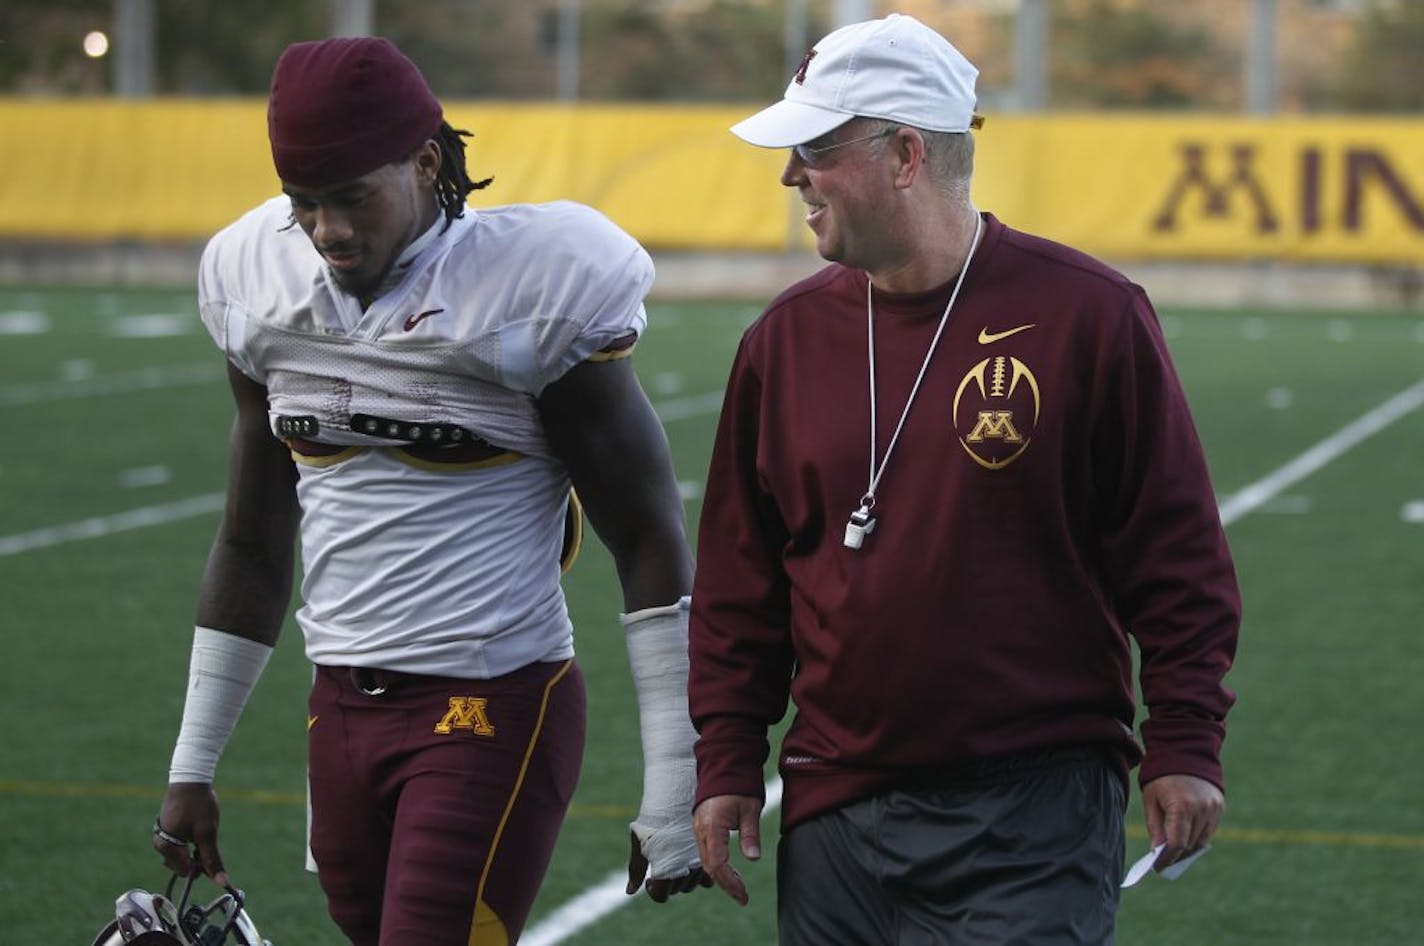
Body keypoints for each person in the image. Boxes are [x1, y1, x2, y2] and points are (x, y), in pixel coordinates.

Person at [688, 13, 1240, 945]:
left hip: (1036, 805)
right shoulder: (780, 341)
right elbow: (743, 582)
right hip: (835, 811)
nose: (790, 178)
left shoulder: (1089, 316)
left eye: (815, 150)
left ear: (906, 154)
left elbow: (1175, 552)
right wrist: (730, 758)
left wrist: (1185, 741)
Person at [150, 36, 709, 946]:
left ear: (426, 161)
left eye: (351, 198)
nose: (328, 231)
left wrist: (675, 781)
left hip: (489, 704)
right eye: (305, 206)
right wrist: (192, 764)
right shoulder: (258, 286)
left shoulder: (534, 286)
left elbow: (648, 539)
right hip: (338, 707)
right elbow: (252, 541)